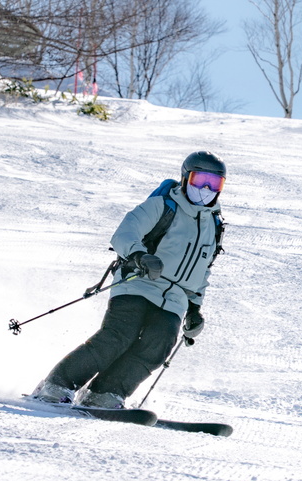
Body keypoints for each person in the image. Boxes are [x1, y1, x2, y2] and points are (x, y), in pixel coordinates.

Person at [30, 151, 226, 408]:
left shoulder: (215, 224)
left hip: (175, 299)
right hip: (138, 282)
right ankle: (57, 384)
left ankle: (105, 393)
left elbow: (204, 269)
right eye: (200, 180)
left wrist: (195, 308)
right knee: (119, 336)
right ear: (185, 178)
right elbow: (125, 232)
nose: (206, 189)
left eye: (215, 184)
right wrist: (140, 256)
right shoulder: (163, 206)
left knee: (159, 347)